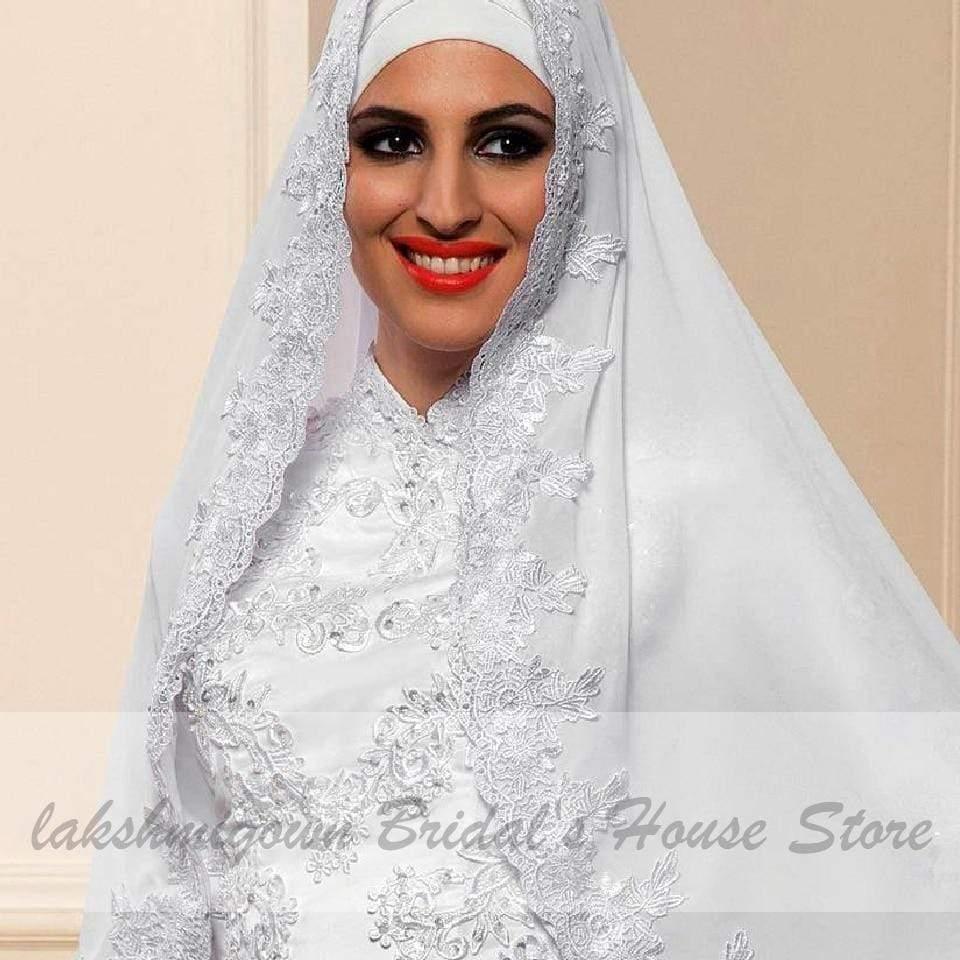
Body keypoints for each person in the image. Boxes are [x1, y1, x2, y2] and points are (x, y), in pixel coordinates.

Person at [75, 1, 960, 958]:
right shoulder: (235, 517)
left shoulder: (681, 505)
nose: (446, 203)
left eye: (507, 143)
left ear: (580, 165)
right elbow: (158, 886)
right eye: (392, 140)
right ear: (335, 166)